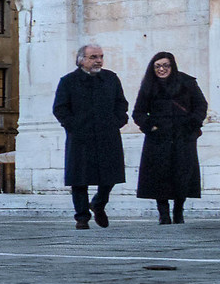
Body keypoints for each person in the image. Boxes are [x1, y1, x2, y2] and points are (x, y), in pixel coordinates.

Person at [54, 41, 130, 229]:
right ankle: (81, 216)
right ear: (81, 60)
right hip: (81, 136)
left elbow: (122, 103)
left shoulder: (111, 78)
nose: (99, 61)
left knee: (110, 175)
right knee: (79, 178)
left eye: (101, 57)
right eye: (93, 57)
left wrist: (117, 121)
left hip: (107, 134)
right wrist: (73, 126)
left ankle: (99, 203)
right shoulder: (68, 81)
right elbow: (60, 108)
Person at [135, 50, 206, 224]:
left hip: (183, 136)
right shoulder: (148, 86)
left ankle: (178, 211)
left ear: (172, 66)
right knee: (160, 175)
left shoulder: (187, 82)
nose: (162, 69)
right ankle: (163, 213)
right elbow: (139, 112)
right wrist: (151, 127)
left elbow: (201, 105)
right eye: (158, 66)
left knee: (182, 174)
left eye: (166, 65)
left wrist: (192, 124)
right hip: (159, 137)